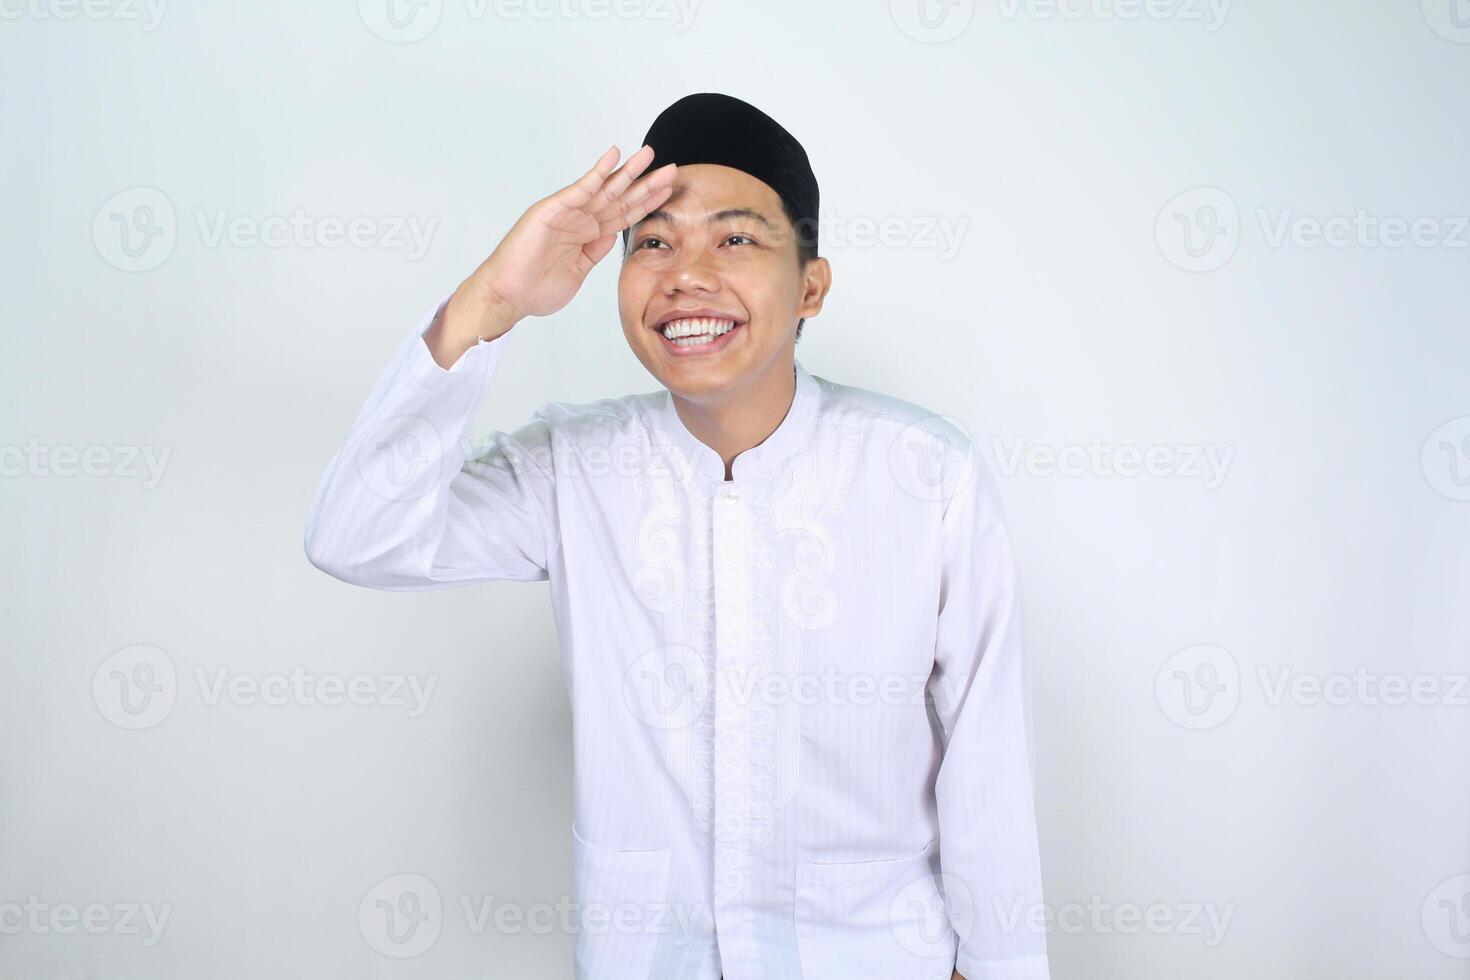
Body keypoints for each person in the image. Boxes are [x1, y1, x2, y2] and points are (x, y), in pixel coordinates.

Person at [304, 92, 1050, 980]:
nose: (686, 275)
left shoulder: (925, 476)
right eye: (653, 241)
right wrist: (492, 298)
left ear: (811, 284)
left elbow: (988, 756)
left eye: (735, 238)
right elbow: (356, 533)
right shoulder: (570, 467)